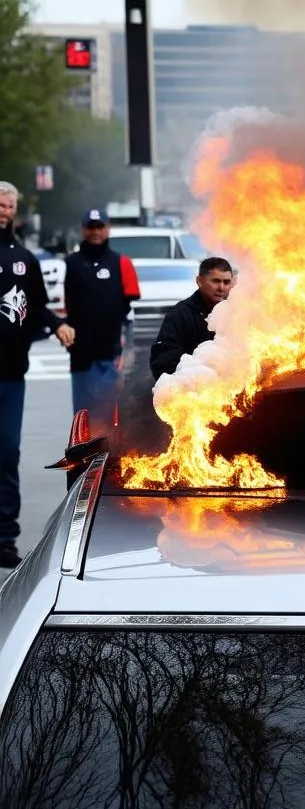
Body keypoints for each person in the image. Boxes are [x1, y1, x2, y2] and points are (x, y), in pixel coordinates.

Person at [0, 182, 74, 568]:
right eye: (0, 203)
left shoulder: (23, 257)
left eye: (10, 204)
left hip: (11, 373)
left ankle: (4, 538)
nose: (4, 209)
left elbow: (40, 306)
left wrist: (58, 324)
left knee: (7, 452)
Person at [62, 209, 140, 483]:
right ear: (83, 229)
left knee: (108, 417)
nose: (95, 231)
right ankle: (79, 479)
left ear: (107, 228)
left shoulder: (121, 262)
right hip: (81, 355)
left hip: (111, 353)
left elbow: (130, 311)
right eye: (91, 226)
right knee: (83, 419)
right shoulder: (71, 263)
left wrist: (128, 352)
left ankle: (107, 478)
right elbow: (67, 306)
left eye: (100, 226)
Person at [150, 257, 234, 380]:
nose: (221, 288)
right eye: (216, 281)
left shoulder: (237, 313)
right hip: (196, 391)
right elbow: (164, 360)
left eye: (226, 282)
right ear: (199, 281)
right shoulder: (179, 315)